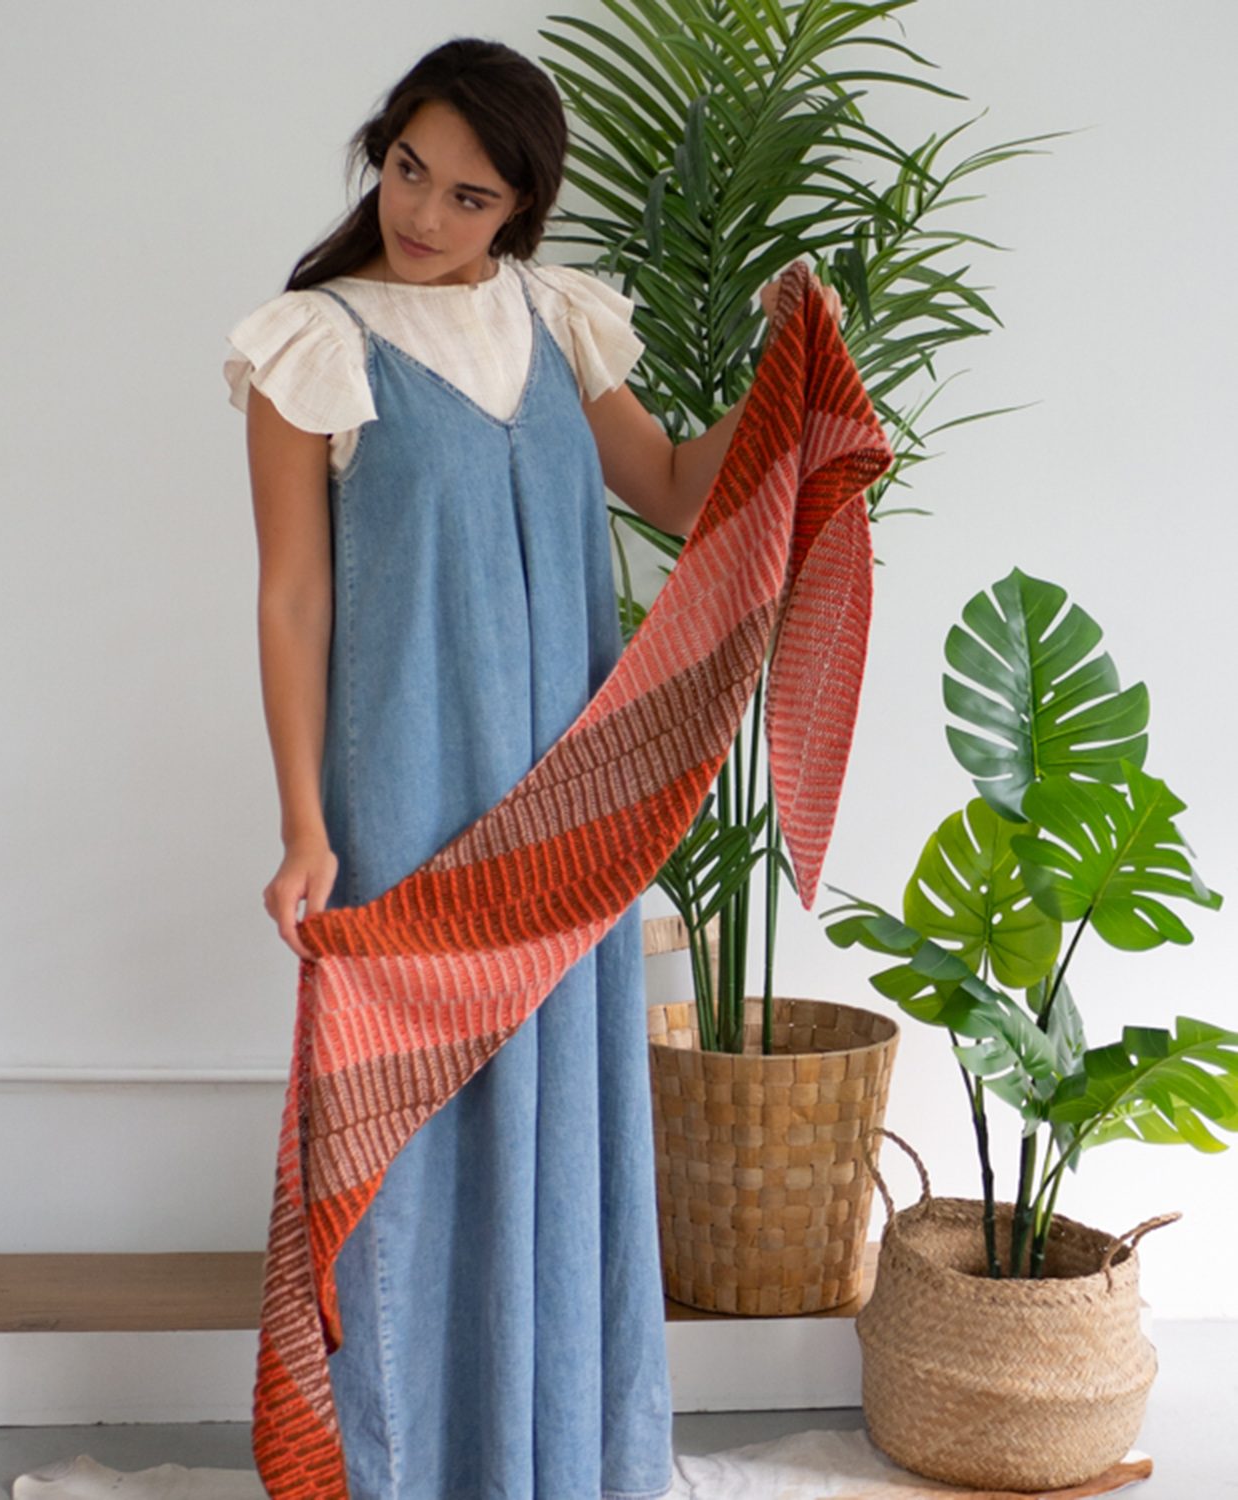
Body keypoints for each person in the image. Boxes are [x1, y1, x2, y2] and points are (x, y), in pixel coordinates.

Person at [226, 38, 832, 1500]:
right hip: (410, 797)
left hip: (572, 804)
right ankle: (411, 1466)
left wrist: (793, 358)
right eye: (407, 169)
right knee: (418, 1126)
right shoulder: (312, 345)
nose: (423, 212)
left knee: (565, 1099)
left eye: (468, 195)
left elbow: (676, 488)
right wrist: (304, 825)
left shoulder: (554, 320)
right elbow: (292, 599)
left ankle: (564, 1456)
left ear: (522, 210)